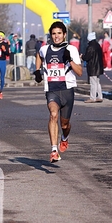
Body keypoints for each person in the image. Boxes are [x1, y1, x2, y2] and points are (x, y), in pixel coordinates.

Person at [33, 21, 82, 163]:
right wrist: (37, 71)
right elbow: (39, 55)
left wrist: (70, 61)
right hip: (52, 90)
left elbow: (79, 72)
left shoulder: (71, 49)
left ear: (64, 34)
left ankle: (65, 138)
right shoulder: (45, 49)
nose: (56, 36)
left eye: (59, 33)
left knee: (65, 125)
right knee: (53, 115)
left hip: (67, 90)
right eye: (54, 34)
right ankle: (54, 151)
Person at [82, 32, 104, 103]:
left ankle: (93, 97)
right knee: (97, 82)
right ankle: (100, 96)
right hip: (98, 66)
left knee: (93, 83)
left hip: (93, 67)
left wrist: (82, 56)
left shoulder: (90, 47)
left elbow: (87, 57)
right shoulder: (98, 45)